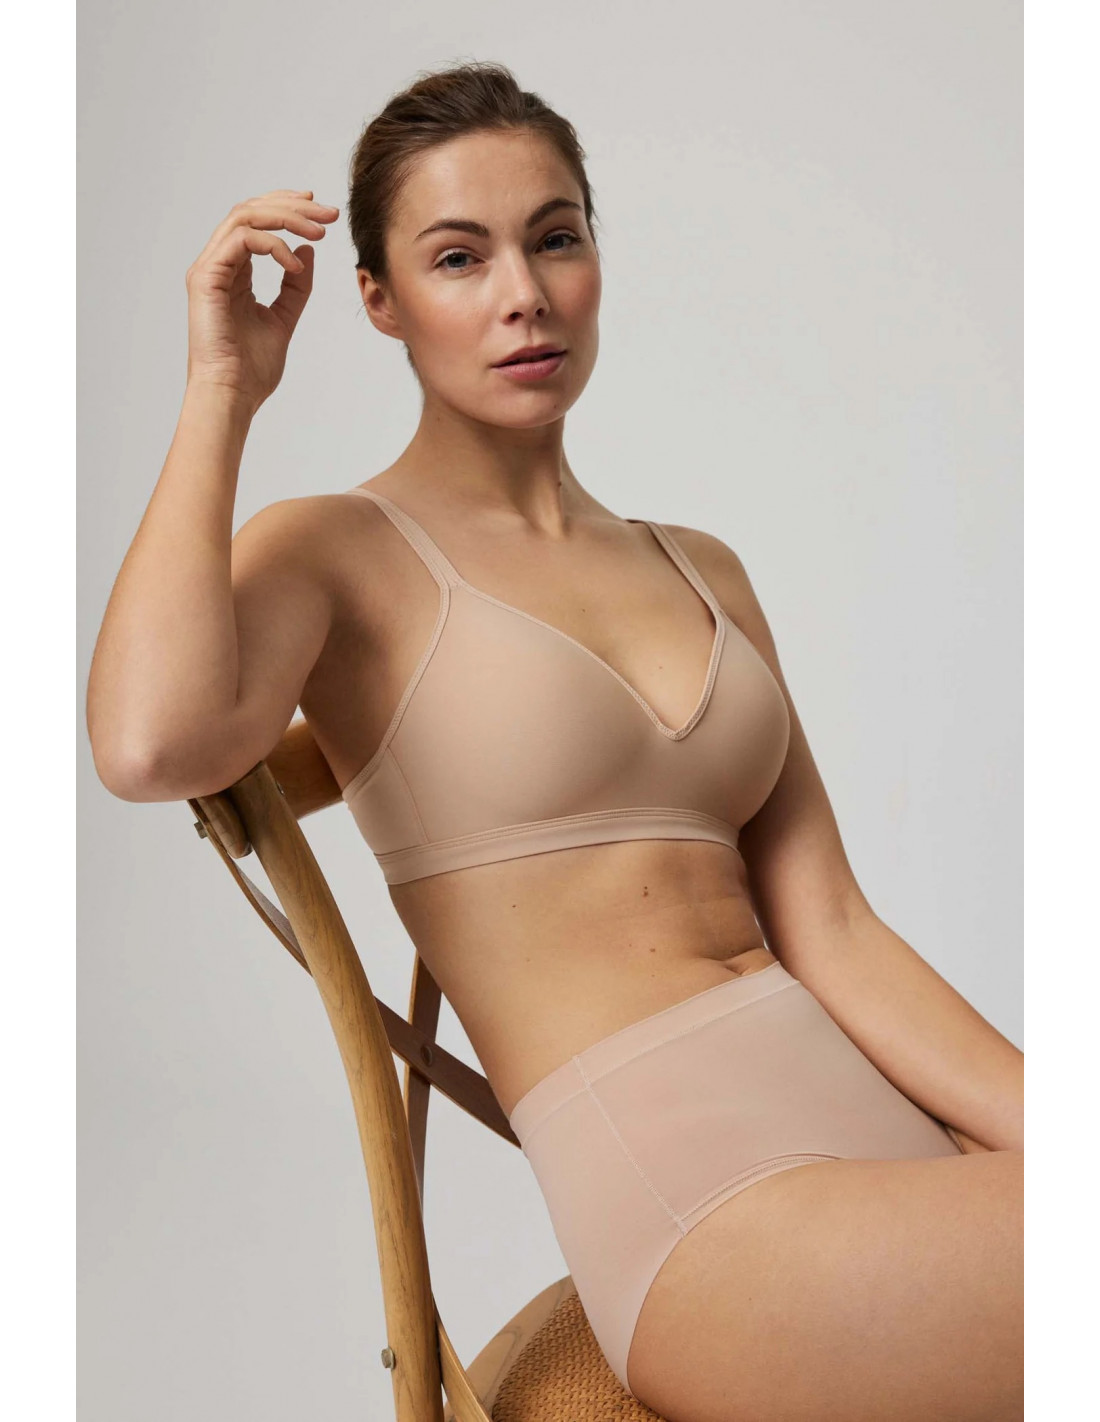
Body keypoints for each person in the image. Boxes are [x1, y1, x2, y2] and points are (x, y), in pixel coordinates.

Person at [87, 60, 1023, 1422]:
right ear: (378, 300)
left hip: (886, 1153)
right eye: (458, 257)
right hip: (709, 1223)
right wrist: (223, 386)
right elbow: (145, 744)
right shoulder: (339, 556)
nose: (522, 293)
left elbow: (835, 929)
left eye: (556, 238)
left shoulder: (702, 566)